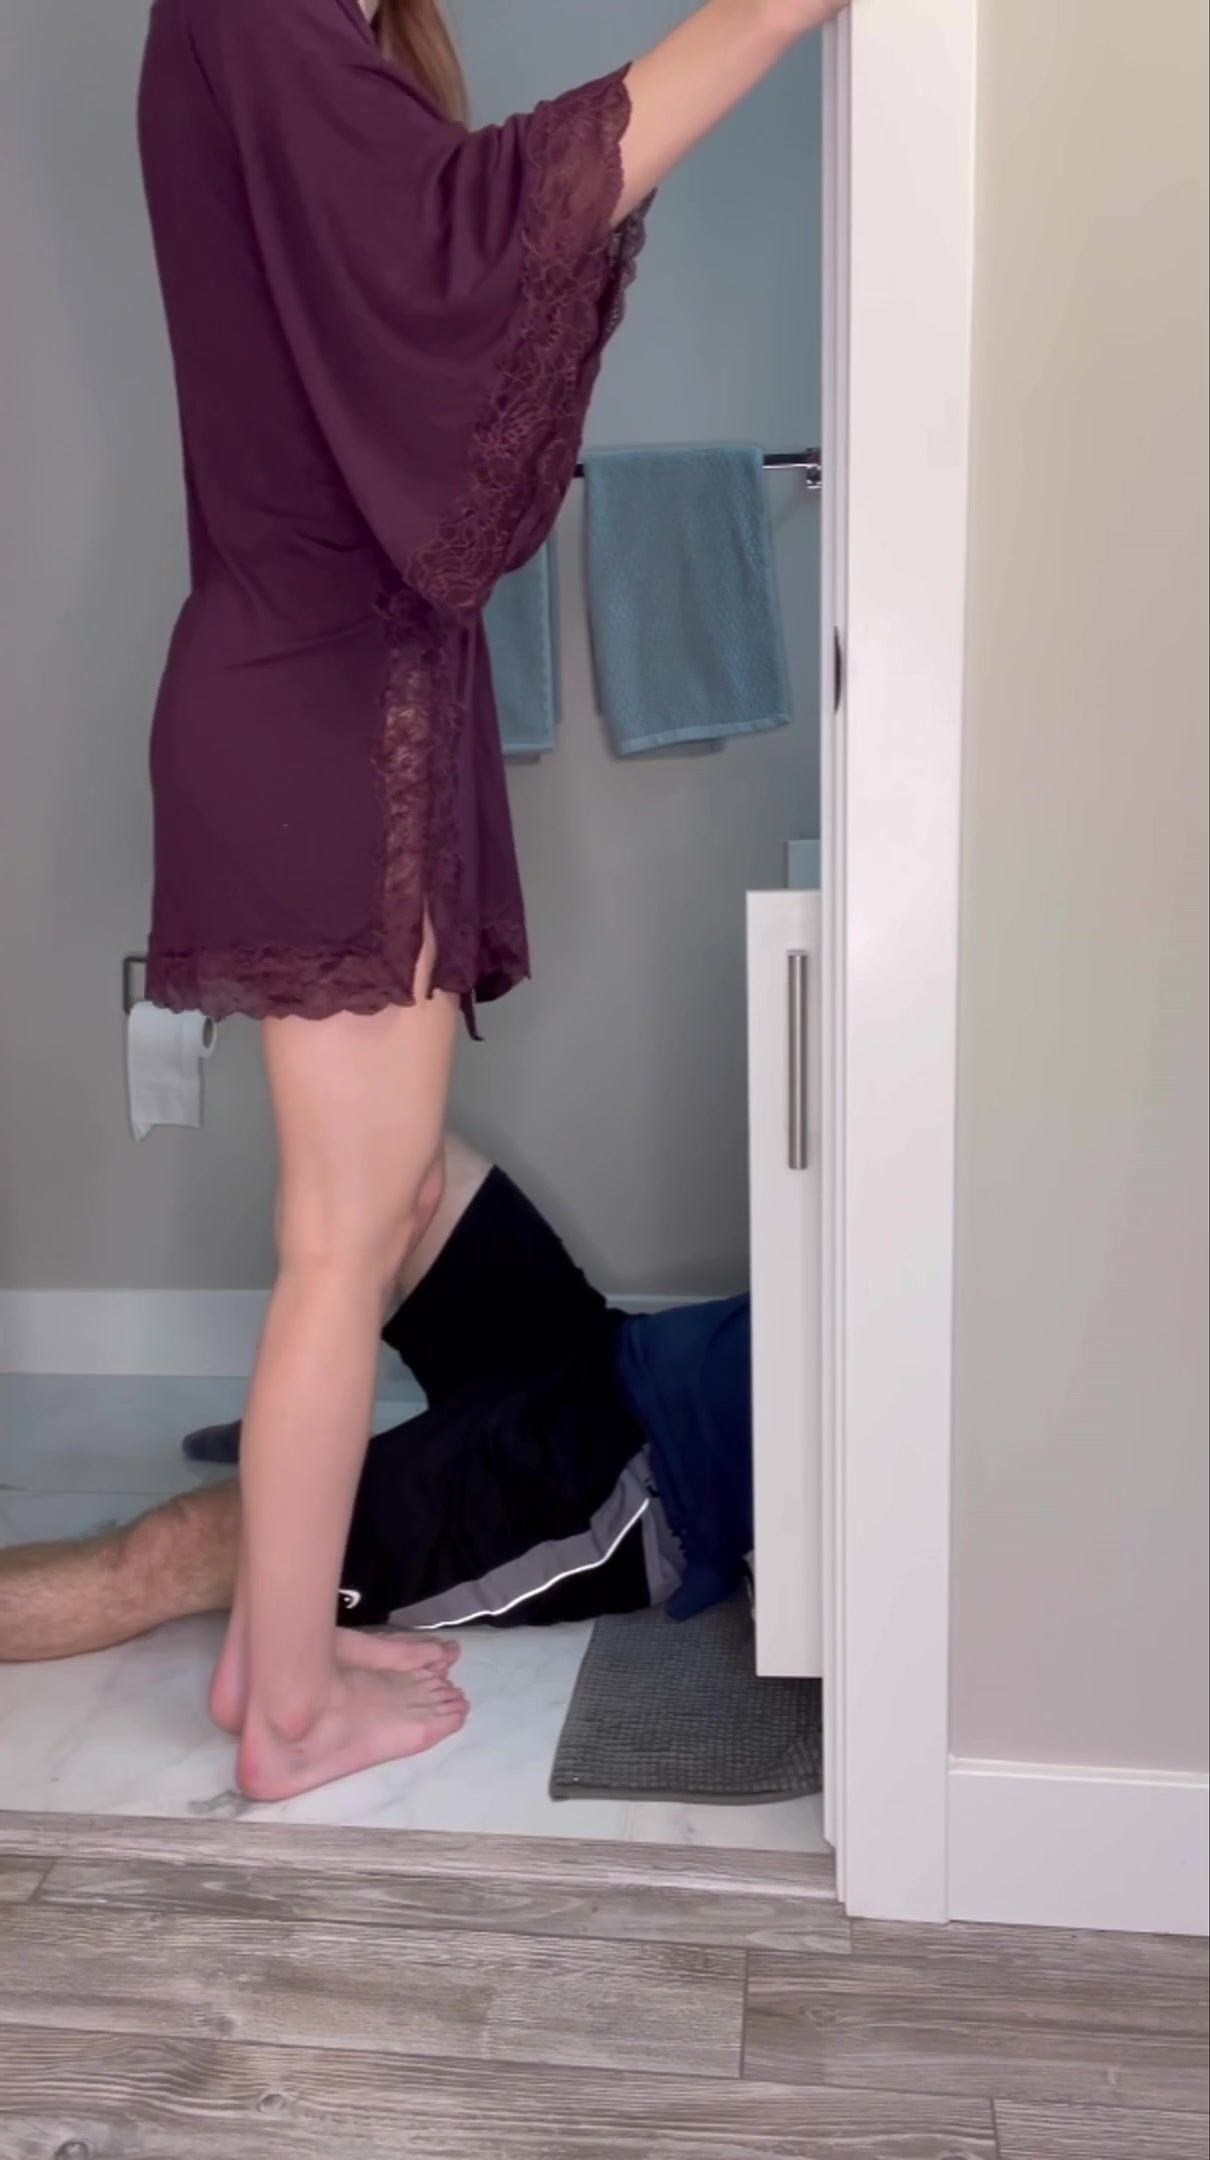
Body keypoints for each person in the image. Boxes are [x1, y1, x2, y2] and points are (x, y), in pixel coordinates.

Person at [138, 0, 849, 1801]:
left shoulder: (297, 37)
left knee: (371, 1214)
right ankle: (287, 1722)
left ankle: (274, 1657)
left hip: (338, 701)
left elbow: (439, 276)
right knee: (343, 1228)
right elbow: (457, 260)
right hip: (317, 708)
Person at [0, 1139, 753, 1673]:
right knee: (392, 1150)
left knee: (174, 1547)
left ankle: (329, 1470)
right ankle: (306, 1414)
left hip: (620, 1489)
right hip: (611, 1354)